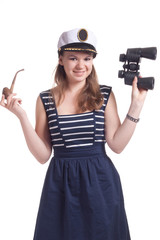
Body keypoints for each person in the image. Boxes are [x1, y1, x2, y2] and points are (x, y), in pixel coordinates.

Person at [0, 28, 147, 240]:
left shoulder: (104, 94)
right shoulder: (46, 99)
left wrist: (136, 105)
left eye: (87, 58)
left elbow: (117, 145)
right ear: (61, 59)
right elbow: (42, 156)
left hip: (100, 183)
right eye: (73, 58)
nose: (81, 65)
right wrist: (21, 116)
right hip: (60, 185)